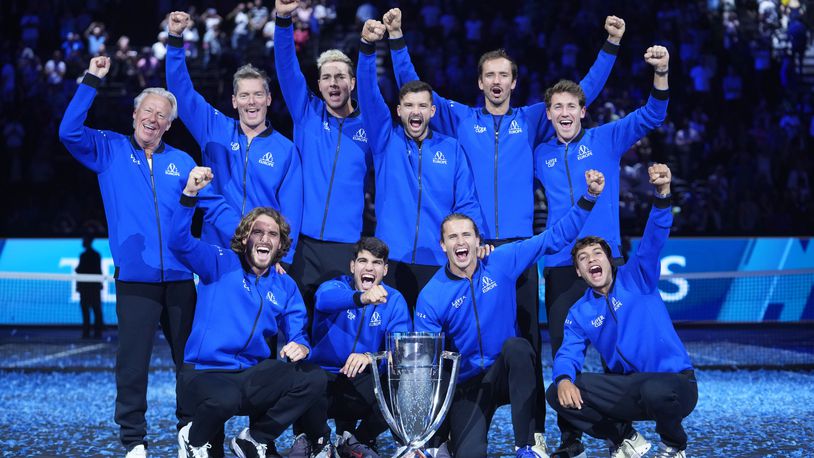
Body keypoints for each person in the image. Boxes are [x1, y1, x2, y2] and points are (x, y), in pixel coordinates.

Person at [383, 10, 624, 448]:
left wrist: (609, 46)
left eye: (504, 76)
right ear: (480, 83)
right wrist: (397, 39)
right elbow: (417, 90)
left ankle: (532, 434)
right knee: (462, 336)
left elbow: (578, 94)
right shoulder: (459, 118)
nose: (496, 81)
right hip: (475, 250)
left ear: (513, 83)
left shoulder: (531, 119)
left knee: (526, 343)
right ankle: (442, 427)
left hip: (518, 249)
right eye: (489, 75)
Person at [58, 57, 224, 458]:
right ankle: (134, 440)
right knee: (132, 366)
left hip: (182, 279)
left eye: (162, 116)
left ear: (169, 125)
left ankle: (190, 431)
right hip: (136, 279)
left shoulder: (183, 161)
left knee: (190, 363)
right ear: (134, 114)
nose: (153, 119)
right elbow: (68, 131)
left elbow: (214, 207)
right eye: (147, 111)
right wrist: (92, 80)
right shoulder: (109, 149)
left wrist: (234, 246)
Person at [533, 44, 670, 457]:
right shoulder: (540, 155)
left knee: (617, 351)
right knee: (563, 354)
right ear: (549, 114)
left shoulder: (607, 138)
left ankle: (626, 433)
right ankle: (571, 438)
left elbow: (652, 114)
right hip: (559, 266)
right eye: (556, 106)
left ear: (583, 110)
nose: (564, 112)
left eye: (571, 105)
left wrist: (660, 72)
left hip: (606, 268)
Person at [414, 170, 606, 458]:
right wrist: (429, 434)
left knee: (518, 347)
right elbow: (426, 365)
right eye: (452, 237)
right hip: (468, 384)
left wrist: (588, 198)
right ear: (443, 246)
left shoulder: (501, 260)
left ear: (478, 242)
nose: (460, 241)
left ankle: (525, 446)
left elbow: (554, 237)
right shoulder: (431, 295)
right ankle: (451, 441)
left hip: (505, 372)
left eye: (466, 234)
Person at [172, 167, 336, 458]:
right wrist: (189, 195)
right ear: (245, 238)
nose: (265, 238)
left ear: (280, 244)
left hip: (251, 377)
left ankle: (254, 438)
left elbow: (297, 332)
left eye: (272, 234)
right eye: (257, 231)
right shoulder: (219, 261)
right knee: (226, 398)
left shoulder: (285, 286)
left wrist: (301, 345)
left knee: (313, 378)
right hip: (205, 373)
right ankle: (192, 438)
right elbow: (179, 243)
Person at [547, 164, 697, 458]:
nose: (592, 259)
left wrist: (663, 194)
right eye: (584, 257)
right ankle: (627, 438)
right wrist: (564, 378)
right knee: (557, 392)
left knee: (655, 389)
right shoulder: (580, 313)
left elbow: (653, 238)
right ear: (579, 272)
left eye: (597, 253)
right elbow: (568, 352)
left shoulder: (636, 278)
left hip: (675, 383)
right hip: (630, 388)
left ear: (609, 260)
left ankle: (674, 444)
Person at [357, 19, 484, 310]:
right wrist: (367, 49)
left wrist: (478, 238)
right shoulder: (385, 141)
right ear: (399, 111)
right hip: (393, 259)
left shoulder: (451, 149)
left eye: (422, 105)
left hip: (440, 262)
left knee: (440, 344)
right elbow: (367, 94)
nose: (416, 111)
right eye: (409, 106)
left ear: (432, 110)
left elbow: (466, 201)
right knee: (394, 343)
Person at [166, 11, 302, 266]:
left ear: (269, 99)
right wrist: (175, 39)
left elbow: (291, 211)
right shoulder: (214, 128)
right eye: (244, 95)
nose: (251, 102)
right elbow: (181, 92)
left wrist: (284, 259)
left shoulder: (287, 150)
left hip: (262, 258)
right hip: (215, 251)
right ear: (234, 101)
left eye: (258, 95)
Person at [273, 0, 374, 314]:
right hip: (302, 243)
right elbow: (287, 67)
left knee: (338, 330)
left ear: (352, 83)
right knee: (295, 326)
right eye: (327, 77)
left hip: (346, 245)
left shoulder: (370, 128)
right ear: (318, 84)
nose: (334, 82)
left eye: (341, 76)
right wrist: (283, 20)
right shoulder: (307, 114)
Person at [302, 236, 411, 457]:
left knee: (402, 385)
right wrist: (362, 298)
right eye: (363, 261)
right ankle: (315, 440)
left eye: (376, 263)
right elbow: (323, 300)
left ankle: (357, 440)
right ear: (353, 266)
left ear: (385, 270)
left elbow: (401, 351)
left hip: (361, 385)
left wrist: (371, 357)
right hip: (323, 381)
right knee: (304, 379)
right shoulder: (334, 286)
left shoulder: (395, 300)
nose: (368, 267)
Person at [76, 234, 103, 339]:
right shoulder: (93, 255)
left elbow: (81, 270)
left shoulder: (92, 255)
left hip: (91, 287)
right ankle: (92, 331)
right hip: (89, 287)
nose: (82, 242)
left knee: (94, 309)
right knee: (90, 310)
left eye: (84, 240)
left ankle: (92, 331)